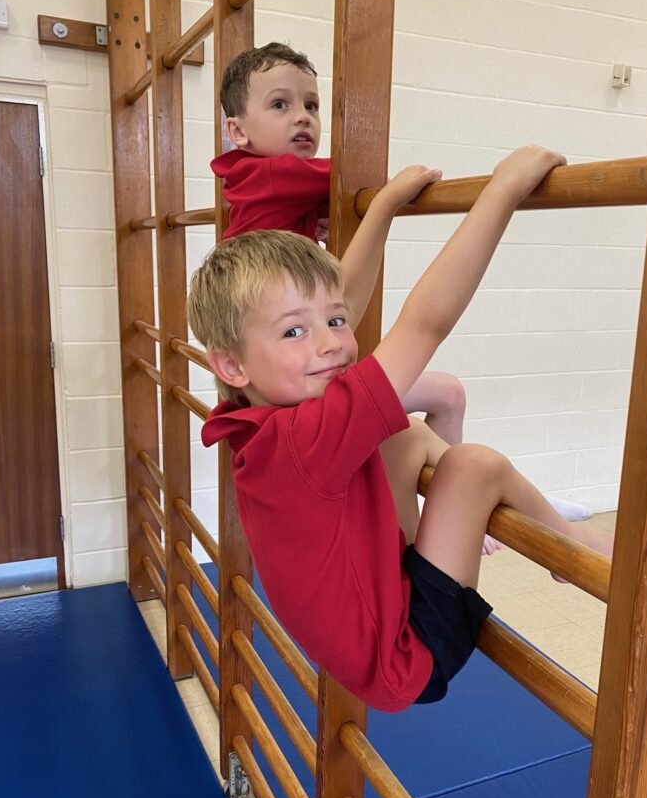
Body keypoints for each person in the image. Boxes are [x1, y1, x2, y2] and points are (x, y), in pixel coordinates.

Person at [189, 145, 613, 713]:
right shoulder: (302, 440)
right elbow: (425, 322)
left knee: (407, 435)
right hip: (409, 657)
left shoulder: (262, 423)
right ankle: (569, 541)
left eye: (336, 321)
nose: (331, 341)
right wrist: (503, 191)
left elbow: (350, 295)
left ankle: (472, 524)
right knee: (474, 466)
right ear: (233, 366)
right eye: (294, 332)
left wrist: (384, 207)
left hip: (376, 615)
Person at [211, 41, 591, 532]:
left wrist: (323, 216)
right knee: (436, 403)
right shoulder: (275, 175)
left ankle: (490, 505)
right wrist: (386, 196)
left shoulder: (258, 184)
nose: (302, 118)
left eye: (311, 105)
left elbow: (338, 284)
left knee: (437, 405)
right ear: (237, 131)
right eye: (280, 105)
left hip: (267, 360)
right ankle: (486, 511)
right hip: (277, 364)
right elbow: (354, 182)